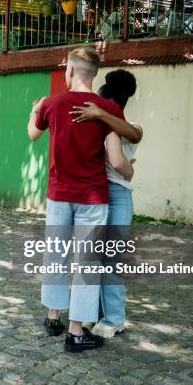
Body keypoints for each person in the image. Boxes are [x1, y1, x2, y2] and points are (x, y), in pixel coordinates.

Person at [27, 47, 141, 352]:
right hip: (93, 197)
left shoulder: (51, 104)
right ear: (94, 74)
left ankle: (53, 317)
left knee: (56, 255)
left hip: (59, 194)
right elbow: (131, 139)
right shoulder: (107, 108)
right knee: (88, 262)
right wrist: (102, 114)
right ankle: (76, 331)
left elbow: (32, 135)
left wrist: (35, 111)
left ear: (69, 70)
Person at [71, 69, 142, 339]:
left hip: (119, 196)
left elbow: (122, 160)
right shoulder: (96, 127)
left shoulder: (131, 127)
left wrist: (100, 114)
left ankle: (114, 318)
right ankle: (92, 314)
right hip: (95, 194)